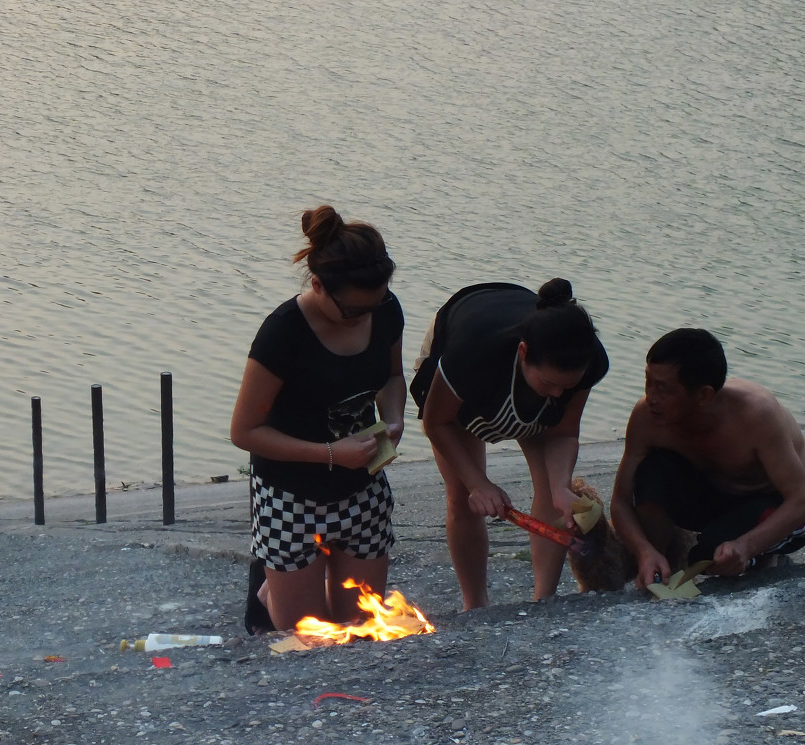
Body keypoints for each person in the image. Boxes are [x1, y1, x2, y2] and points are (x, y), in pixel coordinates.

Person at [230, 205, 405, 631]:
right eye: (352, 311)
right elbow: (244, 431)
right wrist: (330, 453)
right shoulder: (283, 333)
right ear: (318, 285)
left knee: (361, 629)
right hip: (291, 497)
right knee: (308, 636)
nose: (364, 316)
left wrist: (394, 419)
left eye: (375, 304)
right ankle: (270, 589)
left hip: (362, 487)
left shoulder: (384, 310)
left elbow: (394, 377)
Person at [410, 279, 608, 610]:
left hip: (519, 352)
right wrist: (479, 484)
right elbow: (437, 422)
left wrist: (561, 487)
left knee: (552, 492)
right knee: (463, 496)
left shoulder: (587, 361)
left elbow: (563, 433)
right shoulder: (472, 354)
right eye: (549, 382)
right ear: (523, 353)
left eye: (567, 386)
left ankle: (542, 600)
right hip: (462, 336)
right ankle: (475, 605)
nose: (559, 394)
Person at [610, 328, 805, 586]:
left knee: (711, 555)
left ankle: (765, 556)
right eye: (648, 382)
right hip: (713, 498)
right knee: (652, 470)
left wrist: (746, 546)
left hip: (775, 504)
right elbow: (620, 502)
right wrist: (644, 550)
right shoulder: (647, 418)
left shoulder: (756, 415)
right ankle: (657, 566)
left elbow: (800, 500)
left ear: (704, 395)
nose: (651, 397)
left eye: (663, 389)